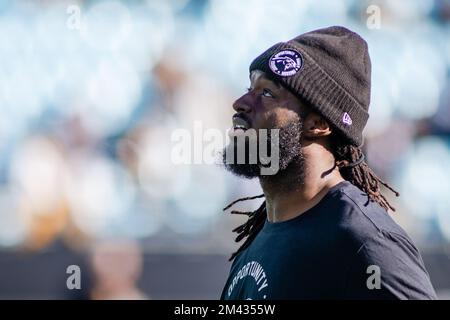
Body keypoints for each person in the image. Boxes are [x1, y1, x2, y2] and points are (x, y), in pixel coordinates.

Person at [220, 26, 437, 299]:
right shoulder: (254, 245)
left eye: (266, 93)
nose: (240, 103)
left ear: (319, 123)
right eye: (249, 88)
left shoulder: (364, 241)